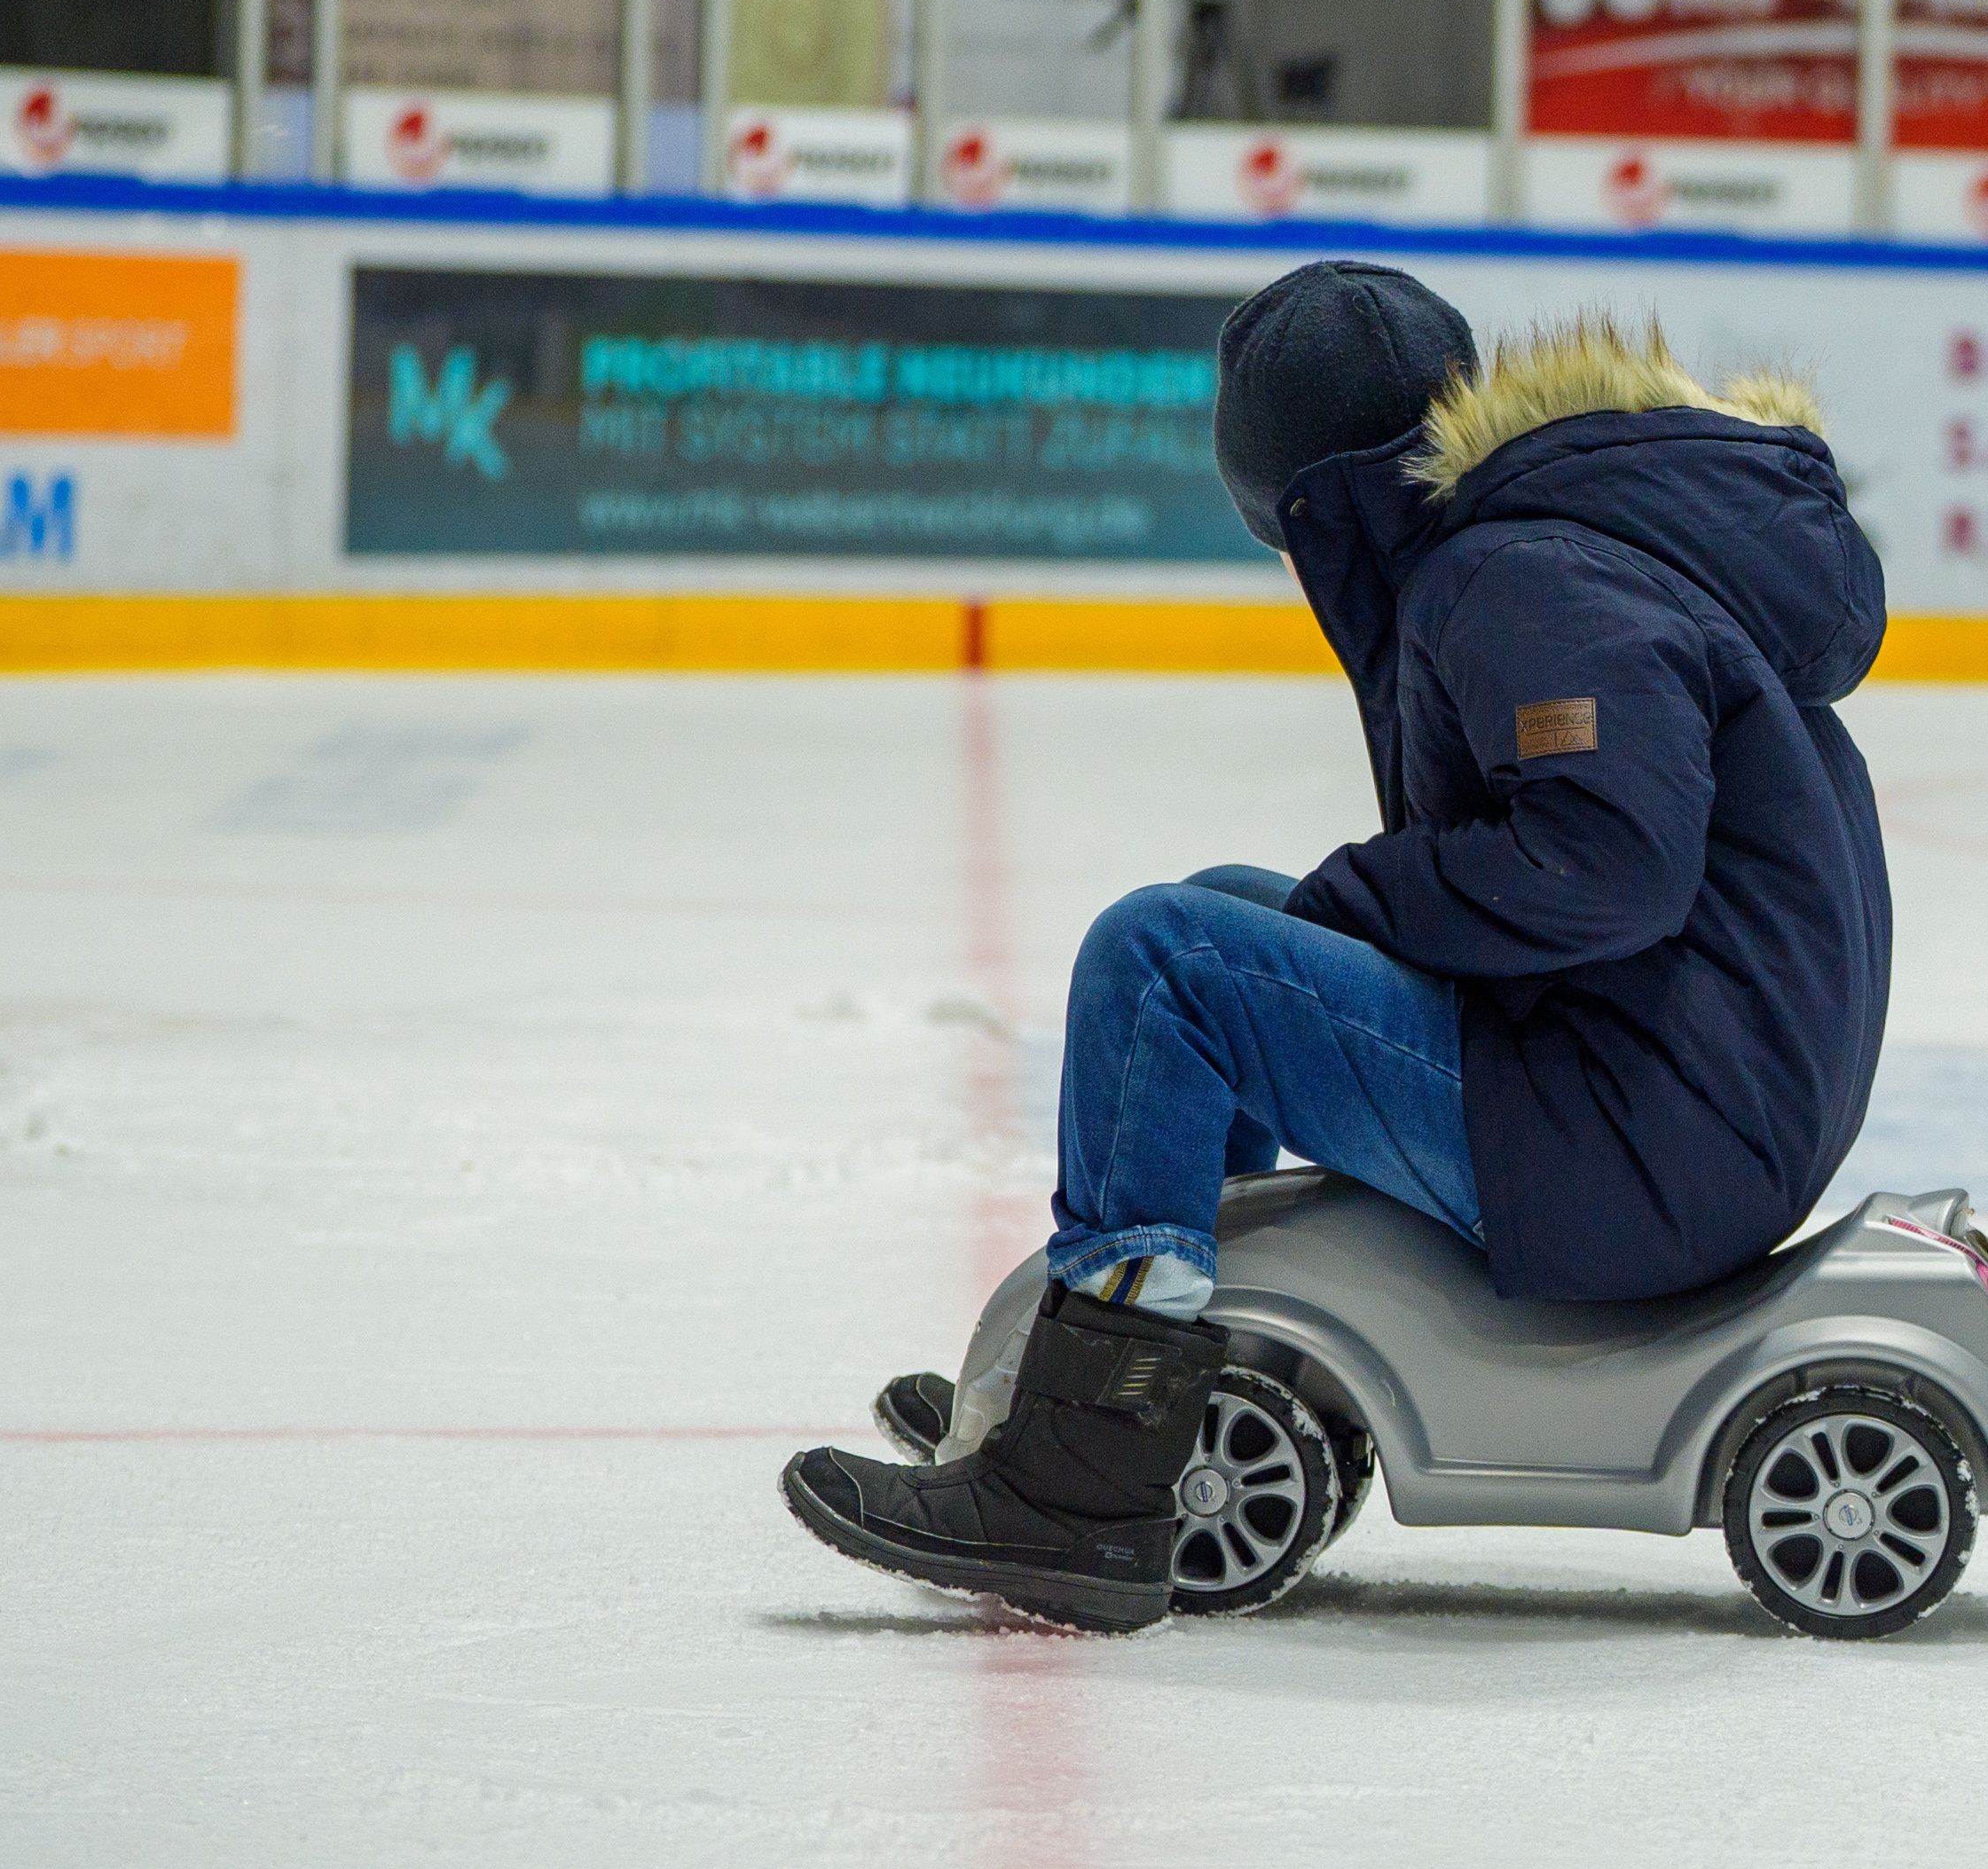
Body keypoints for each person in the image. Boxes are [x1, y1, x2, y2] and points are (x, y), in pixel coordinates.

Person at [782, 271, 1895, 1628]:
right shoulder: (1551, 545)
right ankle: (1148, 1377)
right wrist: (1353, 904)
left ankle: (1081, 1485)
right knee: (1223, 911)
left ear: (1300, 502)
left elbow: (1605, 862)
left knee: (1163, 960)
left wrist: (1369, 890)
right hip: (1670, 1091)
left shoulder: (1515, 578)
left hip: (1642, 1139)